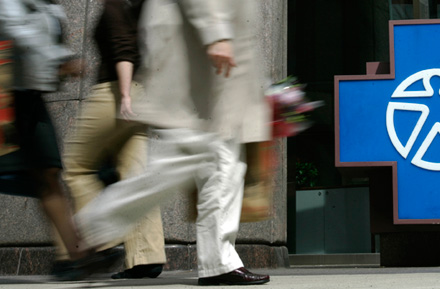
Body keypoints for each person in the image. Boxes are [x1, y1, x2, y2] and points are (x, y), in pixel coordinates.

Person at [73, 0, 271, 285]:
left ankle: (219, 263)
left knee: (224, 166)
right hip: (198, 57)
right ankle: (93, 225)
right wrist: (217, 34)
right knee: (184, 158)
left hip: (215, 62)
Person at [0, 0, 121, 281]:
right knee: (45, 176)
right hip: (7, 96)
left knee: (49, 173)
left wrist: (60, 58)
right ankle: (80, 254)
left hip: (28, 95)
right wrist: (59, 59)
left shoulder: (48, 5)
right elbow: (15, 28)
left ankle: (80, 255)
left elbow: (43, 36)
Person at [54, 0, 166, 279]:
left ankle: (100, 243)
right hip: (144, 94)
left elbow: (123, 48)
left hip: (115, 92)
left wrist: (125, 95)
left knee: (76, 167)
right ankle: (146, 256)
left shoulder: (116, 4)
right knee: (135, 175)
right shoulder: (146, 7)